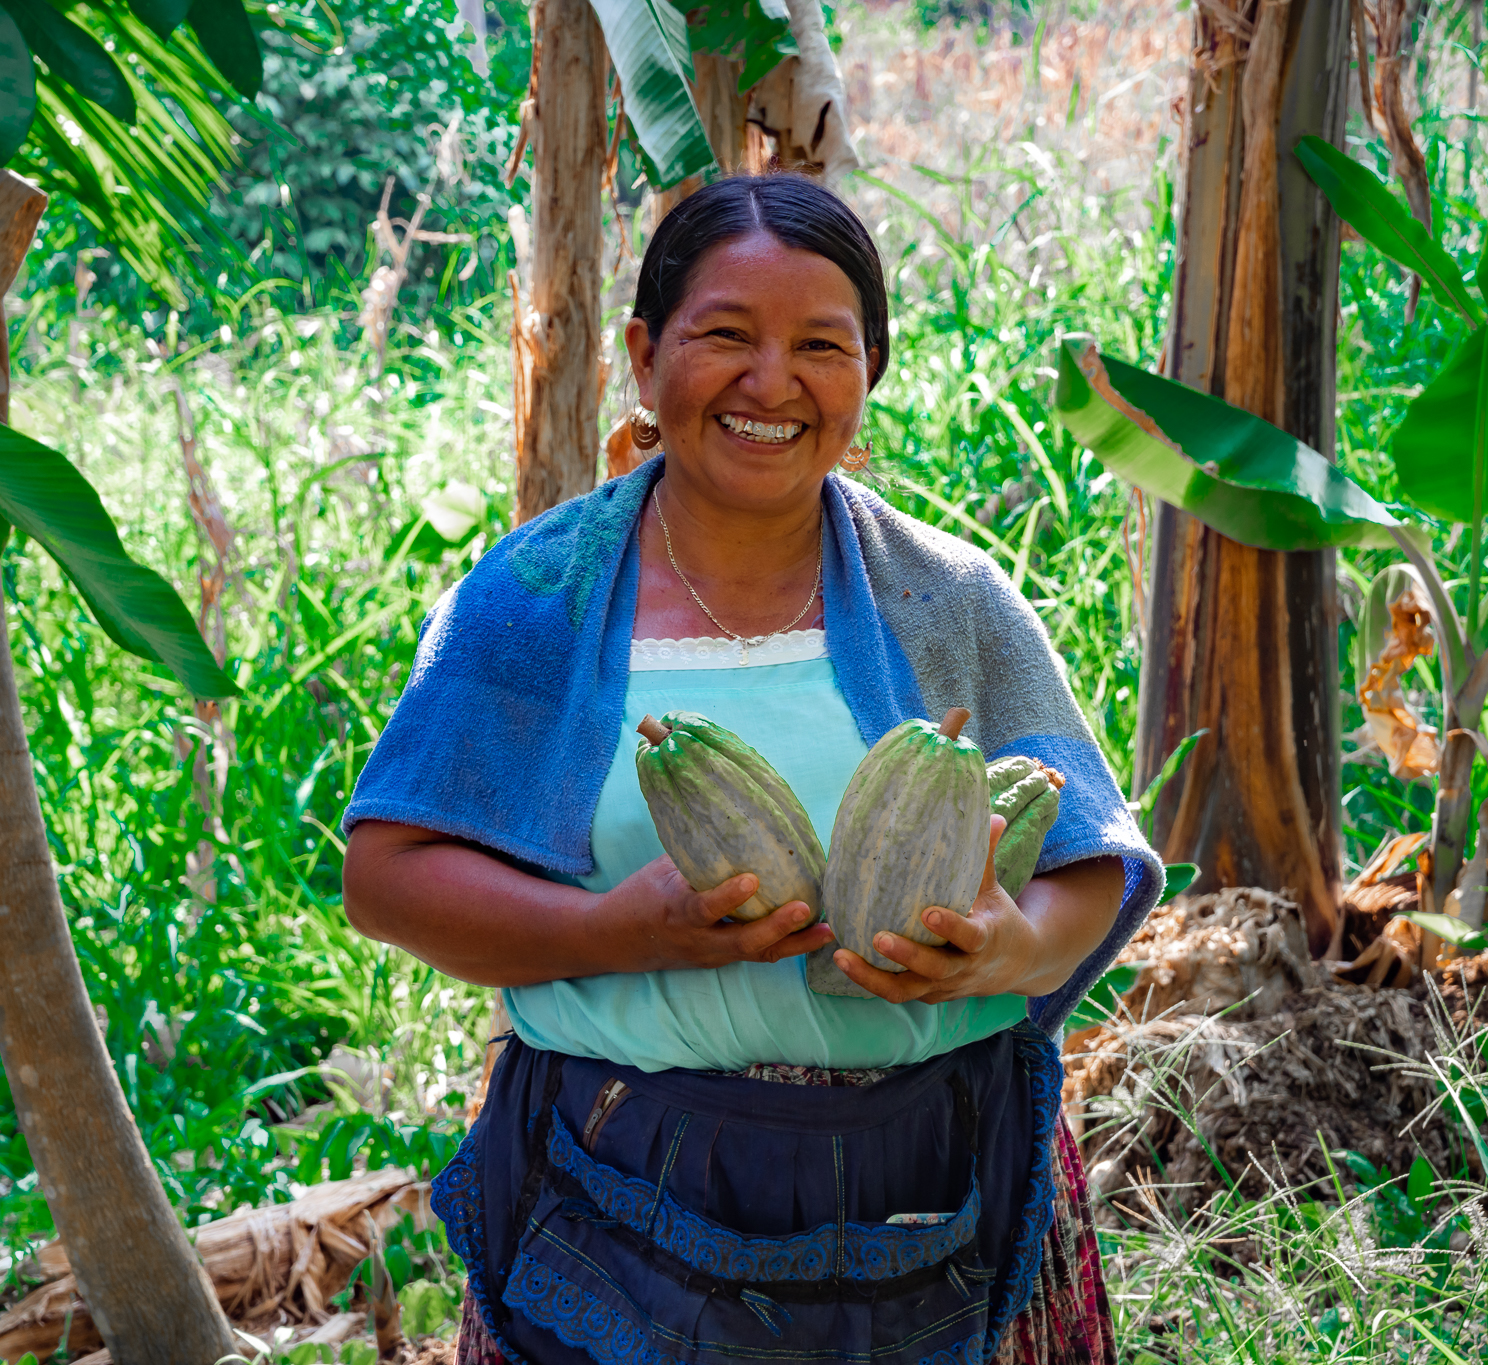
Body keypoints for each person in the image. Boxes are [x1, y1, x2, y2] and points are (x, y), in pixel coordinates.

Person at [341, 172, 1162, 1365]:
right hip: (619, 1176)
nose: (771, 383)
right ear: (643, 353)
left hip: (933, 1183)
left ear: (866, 375)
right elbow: (389, 876)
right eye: (724, 334)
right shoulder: (532, 602)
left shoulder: (949, 600)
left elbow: (1085, 857)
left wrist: (1008, 947)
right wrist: (621, 931)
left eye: (820, 347)